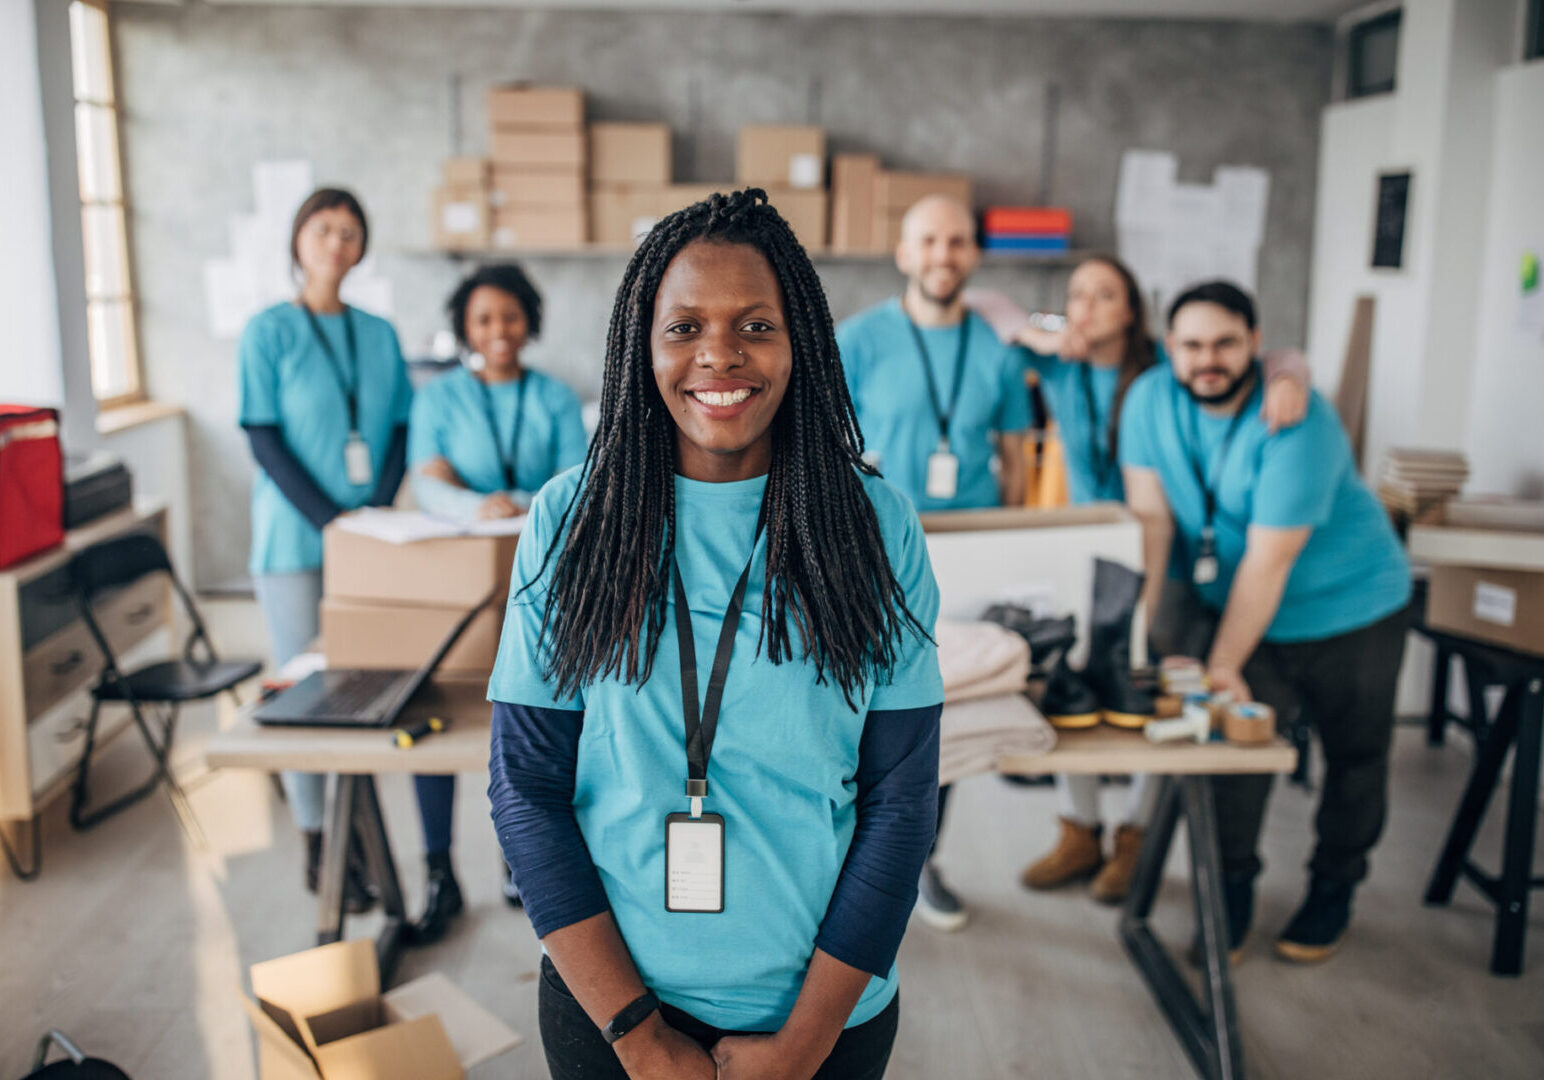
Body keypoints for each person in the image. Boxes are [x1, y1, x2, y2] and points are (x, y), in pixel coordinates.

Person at [488, 189, 943, 1080]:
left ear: (800, 341)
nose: (720, 356)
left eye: (757, 326)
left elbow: (900, 807)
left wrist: (803, 1047)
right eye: (685, 326)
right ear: (640, 346)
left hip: (822, 1023)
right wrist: (639, 1038)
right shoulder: (571, 521)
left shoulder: (874, 525)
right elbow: (525, 790)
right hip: (609, 1012)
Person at [966, 260, 1309, 904]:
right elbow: (984, 300)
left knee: (1149, 693)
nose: (1087, 307)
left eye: (1105, 295)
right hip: (1080, 549)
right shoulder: (1062, 364)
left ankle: (1136, 838)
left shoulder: (1166, 366)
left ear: (1132, 311)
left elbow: (1276, 352)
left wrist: (1290, 371)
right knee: (1074, 687)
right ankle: (1081, 827)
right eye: (1076, 295)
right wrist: (1044, 334)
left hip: (1165, 558)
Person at [1120, 280, 1410, 963]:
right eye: (1191, 345)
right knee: (1236, 760)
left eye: (1225, 342)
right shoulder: (1148, 400)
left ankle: (1334, 889)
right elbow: (1153, 520)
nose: (1207, 359)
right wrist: (1140, 625)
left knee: (1357, 758)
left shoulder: (1300, 420)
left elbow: (1269, 561)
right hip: (1248, 614)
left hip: (1353, 606)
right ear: (1170, 349)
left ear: (1256, 342)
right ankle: (1232, 895)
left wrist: (1221, 663)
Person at [835, 194, 1027, 932]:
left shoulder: (995, 349)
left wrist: (1006, 544)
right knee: (856, 708)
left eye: (956, 241)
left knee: (940, 710)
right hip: (874, 550)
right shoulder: (859, 339)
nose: (942, 255)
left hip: (968, 548)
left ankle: (918, 861)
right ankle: (848, 857)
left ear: (972, 254)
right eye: (928, 241)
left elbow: (1012, 457)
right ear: (904, 252)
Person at [401, 263, 587, 942]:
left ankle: (521, 858)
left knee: (525, 723)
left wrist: (514, 499)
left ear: (529, 322)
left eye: (510, 316)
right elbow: (425, 484)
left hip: (542, 578)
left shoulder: (557, 397)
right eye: (483, 319)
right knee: (441, 717)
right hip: (458, 578)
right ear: (464, 328)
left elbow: (576, 482)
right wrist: (474, 501)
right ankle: (439, 868)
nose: (498, 331)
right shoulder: (437, 399)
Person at [238, 188, 413, 908]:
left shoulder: (378, 332)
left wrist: (370, 514)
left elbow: (400, 426)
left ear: (362, 246)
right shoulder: (268, 329)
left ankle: (362, 838)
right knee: (304, 690)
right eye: (324, 229)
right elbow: (262, 433)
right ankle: (317, 840)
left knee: (361, 688)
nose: (337, 242)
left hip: (364, 536)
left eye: (350, 231)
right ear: (298, 239)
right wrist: (328, 520)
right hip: (294, 538)